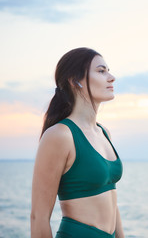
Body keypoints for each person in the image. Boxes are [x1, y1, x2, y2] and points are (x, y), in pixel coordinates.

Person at [31, 47, 124, 238]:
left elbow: (112, 204)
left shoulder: (104, 132)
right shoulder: (59, 135)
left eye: (108, 70)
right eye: (101, 71)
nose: (111, 77)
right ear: (75, 81)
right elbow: (38, 217)